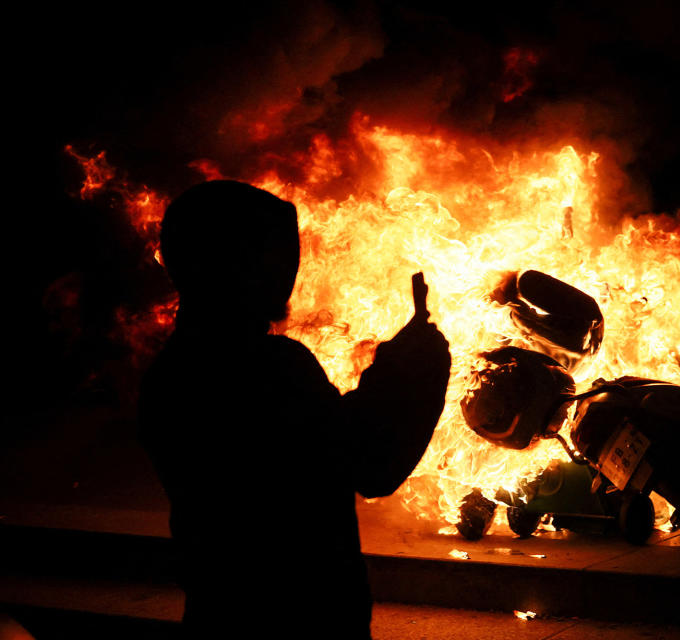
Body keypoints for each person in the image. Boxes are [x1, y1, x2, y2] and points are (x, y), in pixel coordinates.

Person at [138, 180, 450, 638]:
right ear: (239, 263)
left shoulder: (171, 372)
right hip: (300, 617)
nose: (288, 271)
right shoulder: (267, 368)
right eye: (272, 253)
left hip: (220, 611)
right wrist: (415, 363)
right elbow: (368, 461)